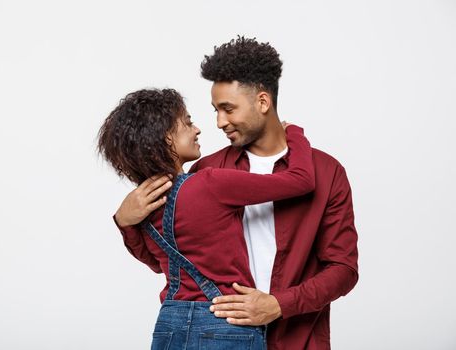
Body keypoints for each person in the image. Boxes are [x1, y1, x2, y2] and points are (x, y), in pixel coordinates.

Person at [114, 37, 359, 350]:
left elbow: (343, 269)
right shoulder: (205, 171)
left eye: (228, 109)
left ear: (262, 102)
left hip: (297, 339)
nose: (218, 122)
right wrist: (125, 221)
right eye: (215, 110)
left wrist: (280, 304)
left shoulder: (326, 172)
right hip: (219, 335)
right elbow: (170, 262)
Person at [98, 87, 315, 349]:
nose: (197, 129)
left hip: (170, 322)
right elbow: (301, 181)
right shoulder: (212, 183)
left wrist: (124, 222)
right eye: (187, 123)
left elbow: (156, 263)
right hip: (224, 320)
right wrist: (294, 133)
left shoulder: (144, 203)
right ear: (166, 138)